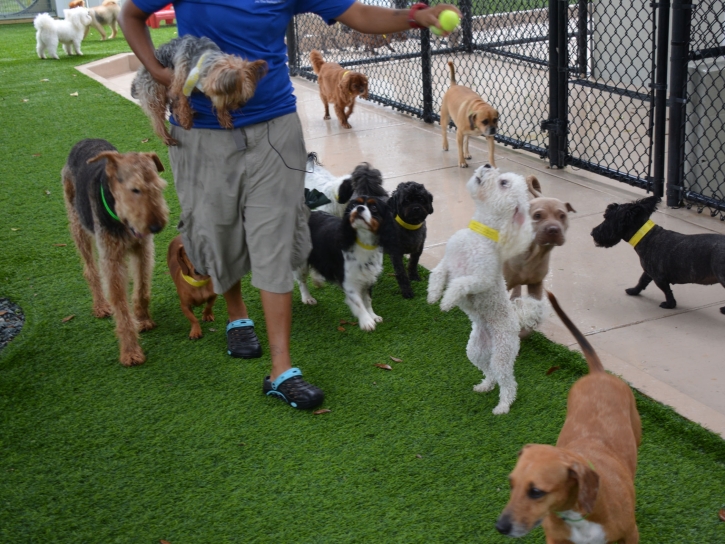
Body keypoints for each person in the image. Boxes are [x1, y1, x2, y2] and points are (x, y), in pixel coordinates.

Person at [119, 0, 460, 410]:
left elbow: (358, 14)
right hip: (202, 132)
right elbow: (131, 14)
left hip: (273, 127)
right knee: (216, 230)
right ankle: (236, 315)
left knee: (277, 237)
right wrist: (160, 74)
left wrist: (412, 16)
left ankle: (282, 369)